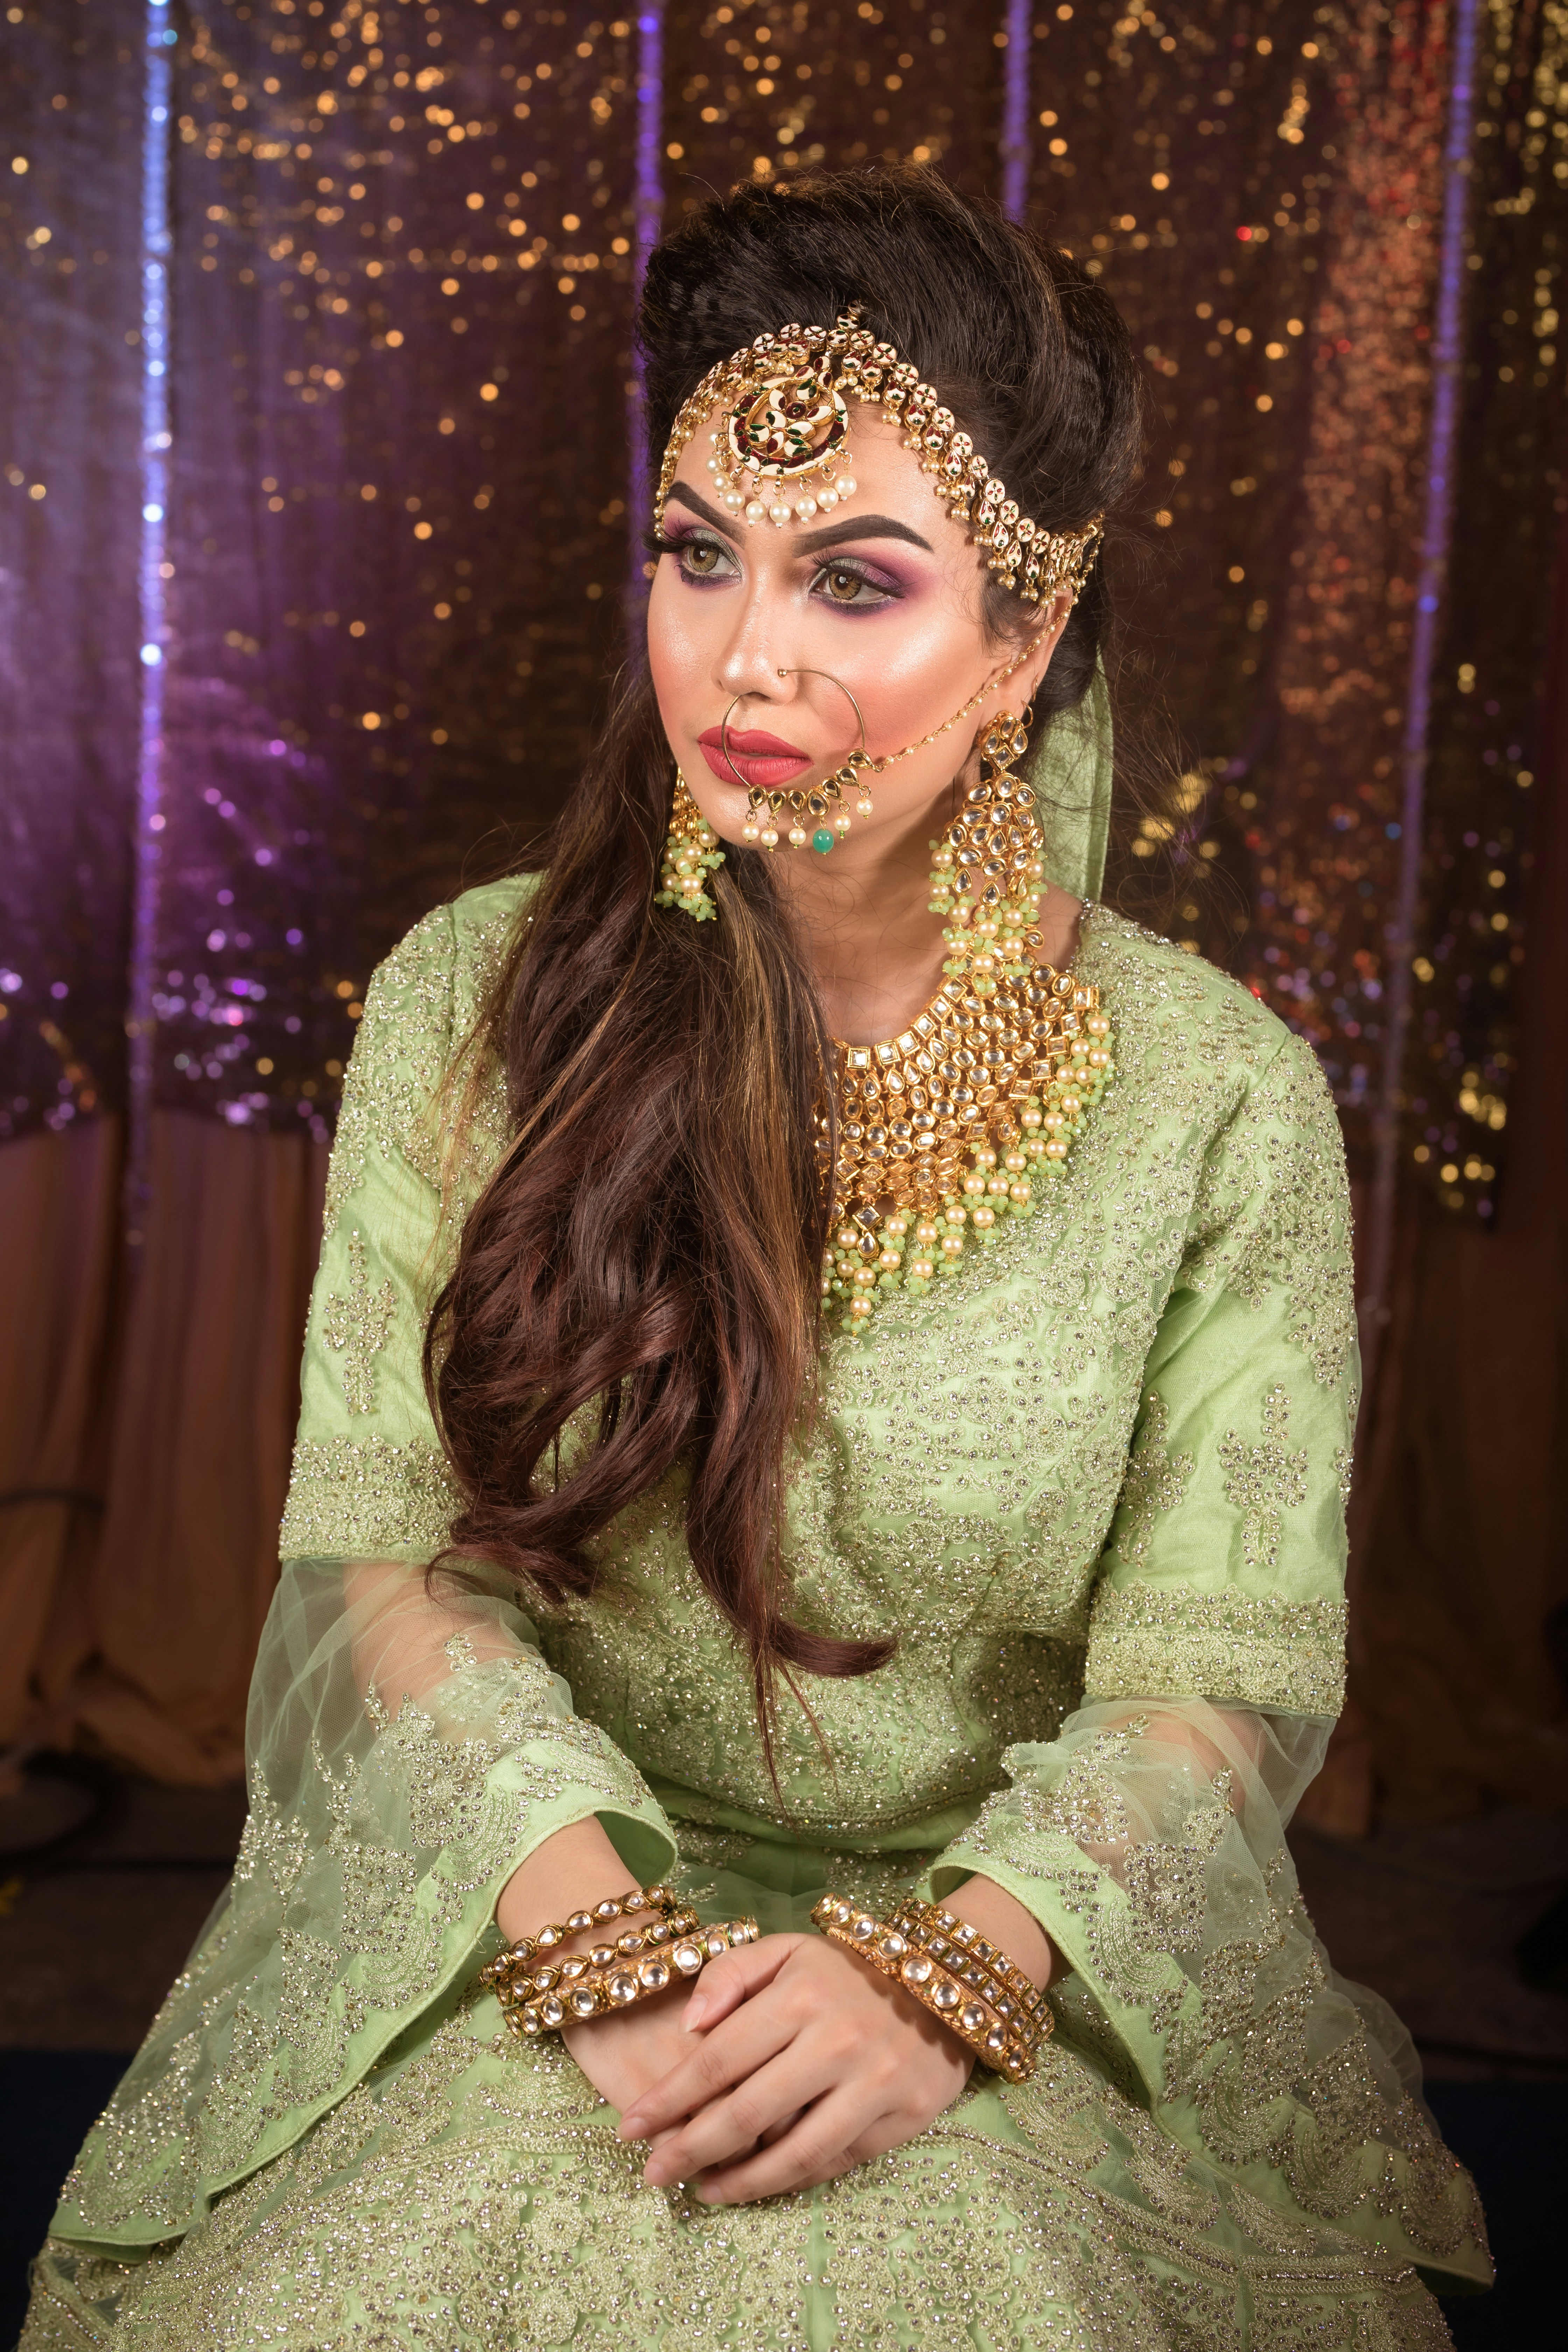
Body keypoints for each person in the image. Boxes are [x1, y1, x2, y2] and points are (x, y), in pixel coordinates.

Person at [22, 165, 1488, 2352]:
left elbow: (1215, 1680)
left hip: (1012, 1961)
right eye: (698, 552)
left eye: (856, 580)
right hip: (530, 1915)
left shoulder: (1214, 1098)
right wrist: (599, 1951)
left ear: (1027, 644)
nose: (746, 654)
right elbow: (377, 1566)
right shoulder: (478, 1004)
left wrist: (945, 1987)